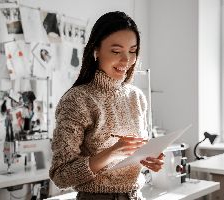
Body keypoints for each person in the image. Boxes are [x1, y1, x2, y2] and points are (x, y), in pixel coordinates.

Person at [49, 11, 164, 200]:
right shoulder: (77, 100)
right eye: (116, 51)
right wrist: (110, 153)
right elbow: (60, 175)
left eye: (133, 51)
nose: (126, 60)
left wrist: (148, 160)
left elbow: (135, 157)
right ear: (96, 50)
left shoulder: (137, 97)